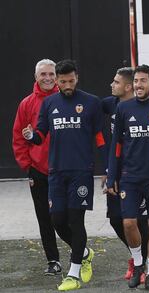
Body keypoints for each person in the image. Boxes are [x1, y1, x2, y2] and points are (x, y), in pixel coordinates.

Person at [22, 59, 106, 291]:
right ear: (57, 82)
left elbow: (100, 138)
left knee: (75, 220)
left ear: (77, 78)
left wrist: (107, 169)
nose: (67, 85)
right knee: (58, 220)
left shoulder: (91, 102)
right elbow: (40, 134)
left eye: (70, 81)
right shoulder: (49, 103)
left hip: (81, 172)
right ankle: (85, 252)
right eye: (62, 81)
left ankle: (73, 273)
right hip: (56, 173)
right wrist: (31, 136)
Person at [107, 65, 149, 290]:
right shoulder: (124, 108)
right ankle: (138, 264)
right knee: (128, 223)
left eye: (143, 81)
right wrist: (112, 176)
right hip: (129, 176)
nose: (138, 85)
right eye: (136, 81)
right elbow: (116, 146)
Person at [13, 59, 61, 275]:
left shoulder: (67, 100)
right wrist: (27, 166)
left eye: (51, 74)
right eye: (43, 74)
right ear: (36, 77)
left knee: (67, 216)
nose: (48, 78)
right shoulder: (26, 104)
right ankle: (53, 260)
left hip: (64, 170)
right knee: (45, 217)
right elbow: (18, 137)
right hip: (39, 171)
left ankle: (80, 254)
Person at [101, 67, 149, 282]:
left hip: (138, 172)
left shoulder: (145, 107)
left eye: (116, 82)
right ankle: (136, 256)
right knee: (114, 219)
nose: (112, 85)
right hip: (115, 171)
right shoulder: (110, 104)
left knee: (139, 220)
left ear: (128, 87)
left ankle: (141, 265)